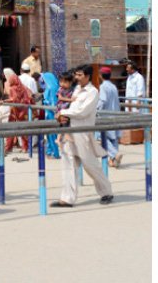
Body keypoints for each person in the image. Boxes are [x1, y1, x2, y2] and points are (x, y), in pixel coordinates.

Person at [51, 65, 114, 208]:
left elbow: (82, 111)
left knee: (90, 164)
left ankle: (106, 192)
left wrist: (63, 114)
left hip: (82, 133)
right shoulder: (76, 90)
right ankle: (67, 198)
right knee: (68, 164)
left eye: (79, 75)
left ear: (87, 76)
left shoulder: (92, 92)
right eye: (76, 75)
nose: (76, 77)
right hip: (70, 131)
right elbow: (70, 108)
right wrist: (61, 115)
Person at [96, 67, 123, 168]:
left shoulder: (103, 87)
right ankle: (114, 160)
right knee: (113, 138)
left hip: (105, 115)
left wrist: (96, 109)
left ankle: (114, 154)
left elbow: (102, 100)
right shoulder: (113, 86)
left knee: (101, 136)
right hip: (114, 113)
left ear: (101, 75)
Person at [4, 71, 30, 154]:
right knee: (23, 129)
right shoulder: (23, 87)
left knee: (10, 129)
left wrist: (3, 101)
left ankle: (8, 147)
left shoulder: (12, 88)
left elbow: (13, 99)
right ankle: (25, 147)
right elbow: (30, 94)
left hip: (14, 110)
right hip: (23, 110)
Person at [41, 72, 61, 159]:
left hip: (51, 114)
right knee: (49, 134)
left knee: (52, 134)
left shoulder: (52, 88)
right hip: (48, 113)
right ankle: (49, 151)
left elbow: (53, 103)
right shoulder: (48, 88)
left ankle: (55, 152)